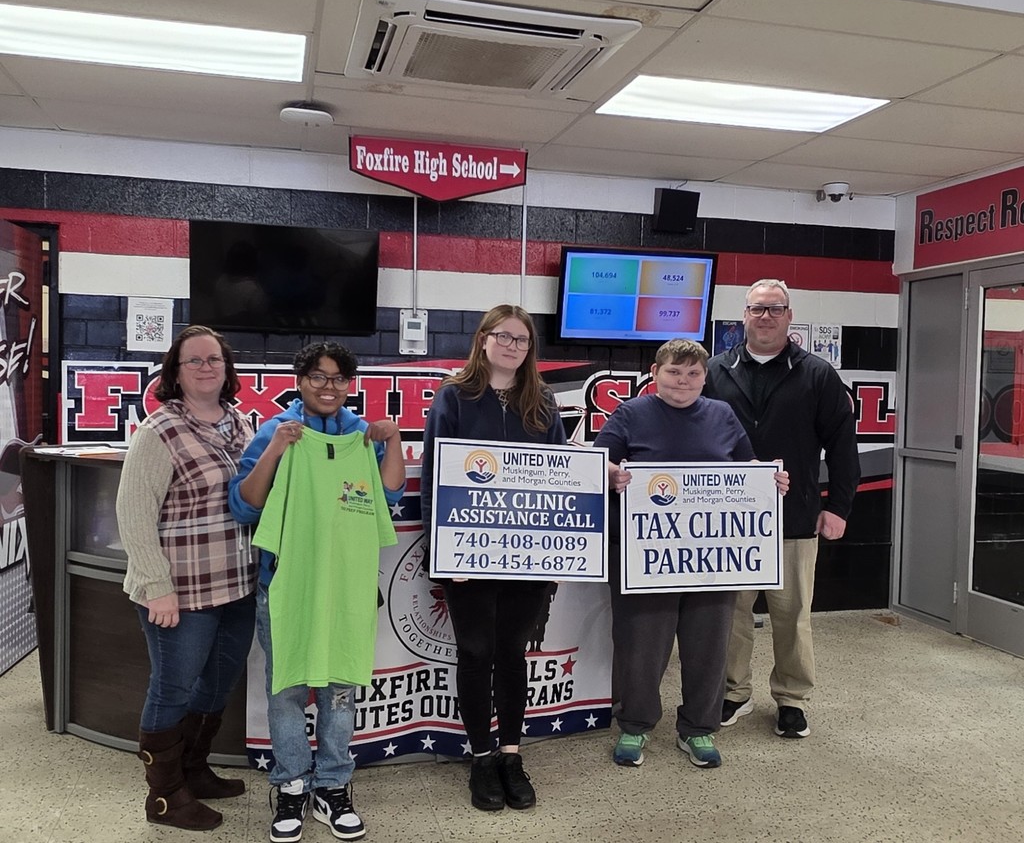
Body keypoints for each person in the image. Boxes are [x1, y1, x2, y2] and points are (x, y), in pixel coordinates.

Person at [228, 341, 404, 843]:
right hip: (284, 584)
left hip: (346, 586)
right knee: (285, 691)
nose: (329, 387)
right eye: (318, 377)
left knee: (340, 689)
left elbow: (389, 494)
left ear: (349, 385)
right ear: (300, 380)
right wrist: (281, 448)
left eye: (338, 379)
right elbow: (244, 506)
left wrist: (390, 440)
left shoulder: (359, 436)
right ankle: (290, 786)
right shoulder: (276, 433)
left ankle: (333, 786)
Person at [593, 338, 789, 770]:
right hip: (645, 558)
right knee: (640, 645)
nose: (683, 381)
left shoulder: (721, 415)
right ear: (655, 373)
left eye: (693, 373)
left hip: (711, 560)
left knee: (708, 646)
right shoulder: (630, 414)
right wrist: (609, 473)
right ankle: (635, 724)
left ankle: (698, 729)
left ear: (705, 377)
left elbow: (747, 470)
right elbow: (596, 465)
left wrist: (770, 484)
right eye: (673, 372)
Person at [420, 304, 567, 812]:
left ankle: (511, 753)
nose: (512, 346)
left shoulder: (544, 402)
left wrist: (557, 556)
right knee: (476, 653)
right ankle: (481, 756)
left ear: (530, 349)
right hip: (469, 555)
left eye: (522, 339)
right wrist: (443, 551)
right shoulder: (454, 398)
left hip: (528, 557)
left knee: (512, 654)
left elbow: (562, 479)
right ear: (483, 340)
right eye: (503, 336)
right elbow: (434, 477)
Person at [704, 278, 860, 739]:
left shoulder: (817, 374)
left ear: (789, 316)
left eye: (775, 309)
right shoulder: (715, 370)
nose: (766, 316)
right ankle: (735, 692)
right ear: (744, 317)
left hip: (794, 520)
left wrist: (840, 508)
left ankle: (792, 698)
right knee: (731, 613)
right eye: (757, 309)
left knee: (792, 614)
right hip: (727, 522)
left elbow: (843, 446)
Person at [116, 325, 255, 831]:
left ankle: (194, 770)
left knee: (217, 683)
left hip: (237, 583)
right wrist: (158, 588)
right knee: (172, 688)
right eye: (193, 360)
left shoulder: (240, 423)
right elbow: (132, 513)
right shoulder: (159, 432)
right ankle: (165, 796)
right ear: (175, 372)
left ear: (226, 367)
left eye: (213, 359)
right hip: (181, 591)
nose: (205, 367)